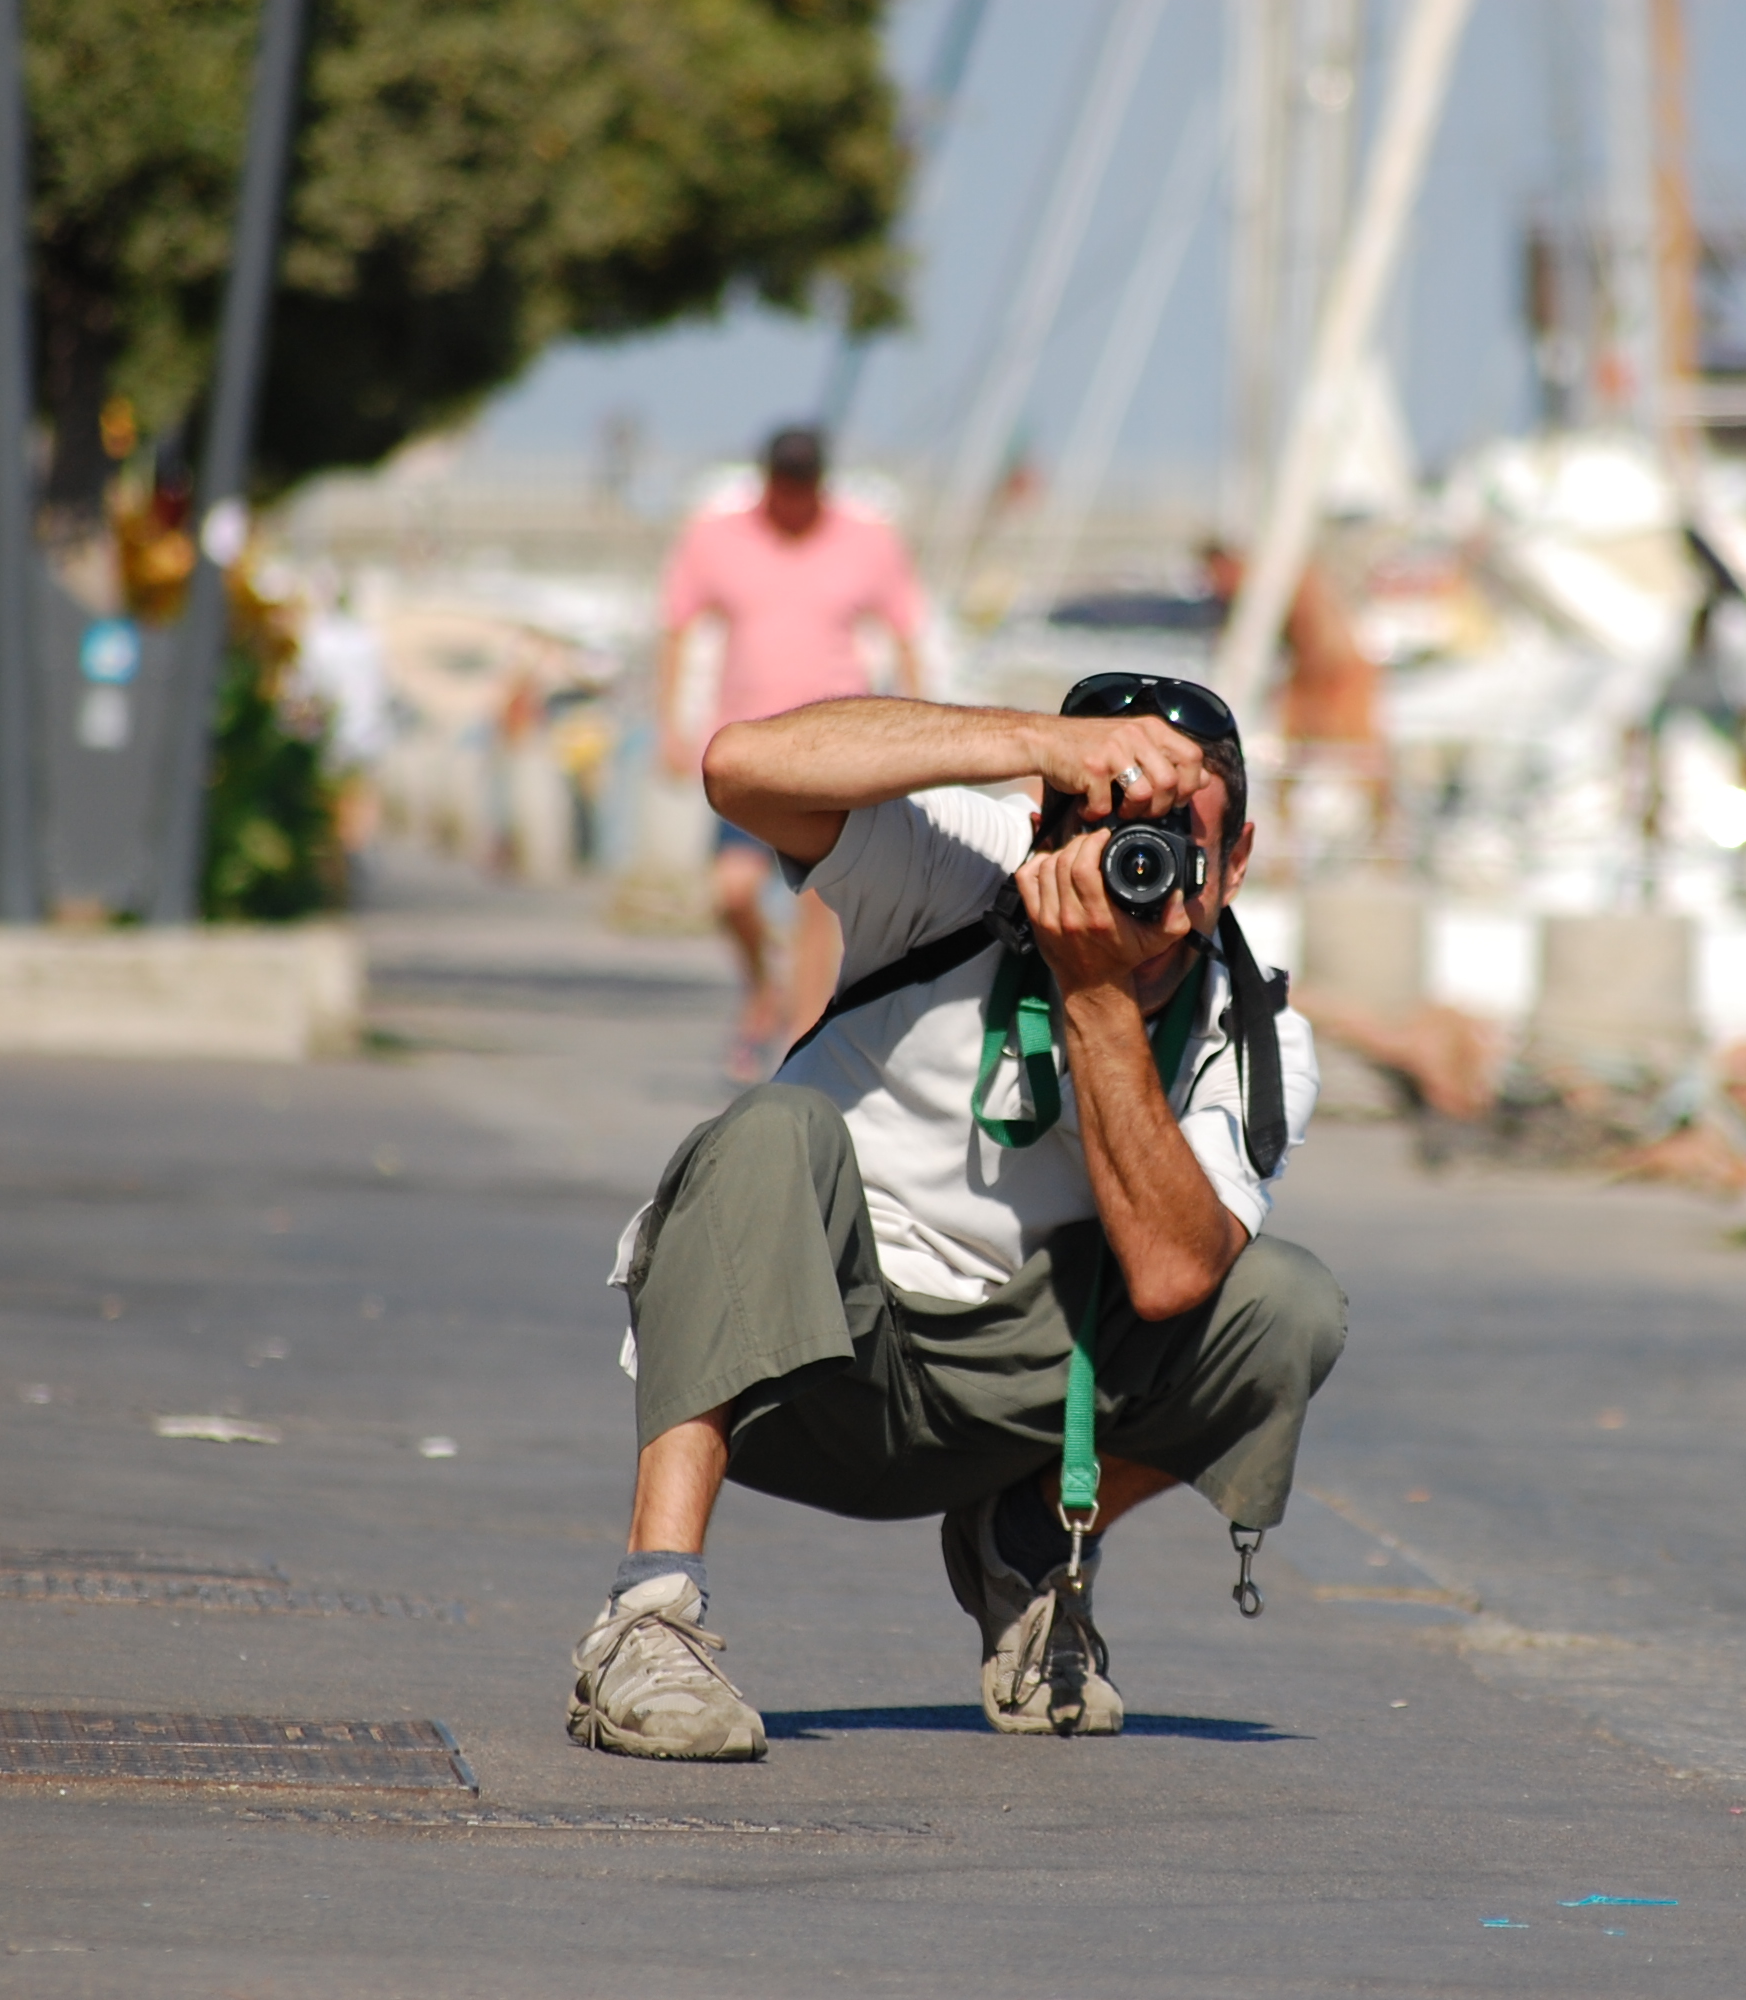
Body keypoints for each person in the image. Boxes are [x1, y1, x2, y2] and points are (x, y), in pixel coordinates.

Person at [569, 675, 1343, 1758]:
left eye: (1176, 840)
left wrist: (1095, 994)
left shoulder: (1249, 1036)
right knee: (771, 1128)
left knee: (1285, 1300)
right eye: (1108, 827)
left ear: (1240, 856)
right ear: (1049, 813)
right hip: (798, 1359)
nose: (1137, 869)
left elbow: (1172, 1278)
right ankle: (647, 1623)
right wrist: (1037, 740)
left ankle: (1022, 1543)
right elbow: (736, 767)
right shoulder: (963, 865)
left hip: (1017, 1408)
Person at [656, 426, 925, 1078]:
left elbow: (906, 631)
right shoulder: (717, 535)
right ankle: (761, 991)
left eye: (806, 485)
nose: (795, 500)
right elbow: (677, 626)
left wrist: (921, 734)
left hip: (836, 755)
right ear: (767, 479)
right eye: (785, 484)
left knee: (818, 910)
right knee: (732, 892)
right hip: (747, 750)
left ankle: (801, 1048)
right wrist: (671, 723)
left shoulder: (866, 538)